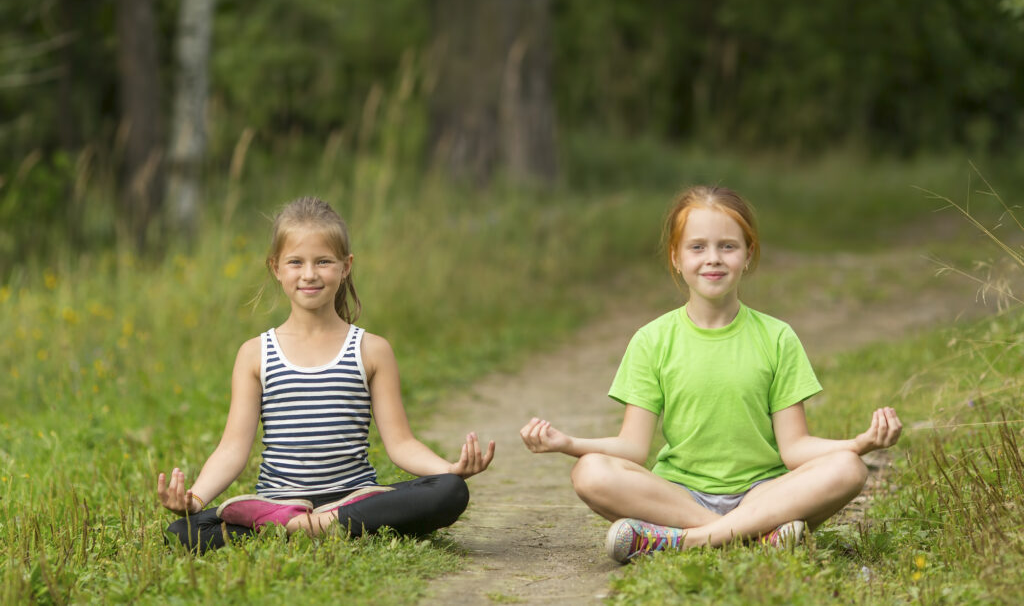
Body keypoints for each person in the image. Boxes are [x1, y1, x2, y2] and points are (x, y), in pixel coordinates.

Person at [520, 185, 902, 563]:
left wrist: (860, 443)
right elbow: (633, 448)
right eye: (697, 247)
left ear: (748, 255)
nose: (713, 259)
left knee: (849, 468)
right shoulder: (652, 340)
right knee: (588, 472)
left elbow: (795, 449)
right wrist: (566, 442)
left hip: (764, 493)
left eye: (728, 246)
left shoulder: (777, 337)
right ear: (675, 257)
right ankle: (754, 535)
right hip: (680, 496)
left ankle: (684, 542)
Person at [158, 196, 495, 553]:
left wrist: (449, 468)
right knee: (183, 530)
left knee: (450, 491)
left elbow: (401, 444)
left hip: (355, 499)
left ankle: (310, 526)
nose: (309, 274)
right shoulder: (255, 354)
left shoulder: (371, 350)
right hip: (278, 502)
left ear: (345, 266)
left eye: (323, 261)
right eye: (295, 262)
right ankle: (308, 525)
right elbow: (232, 449)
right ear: (275, 267)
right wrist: (195, 499)